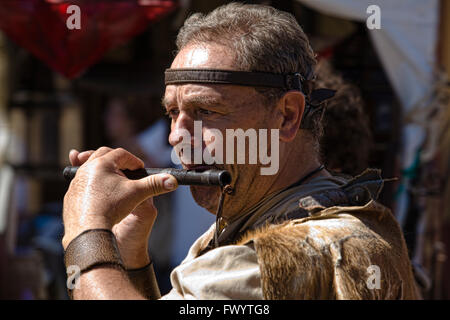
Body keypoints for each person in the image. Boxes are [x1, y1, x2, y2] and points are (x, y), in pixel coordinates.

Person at [62, 3, 419, 299]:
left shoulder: (273, 259)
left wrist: (86, 229)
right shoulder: (348, 220)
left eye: (206, 112)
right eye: (173, 113)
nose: (177, 137)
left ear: (286, 116)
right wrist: (131, 254)